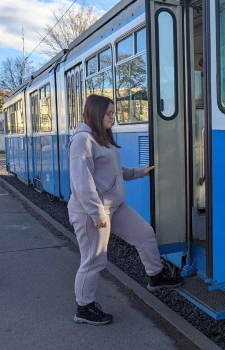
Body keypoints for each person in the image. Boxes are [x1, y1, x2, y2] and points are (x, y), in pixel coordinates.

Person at [68, 94, 183, 325]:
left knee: (144, 234)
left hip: (115, 206)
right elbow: (83, 182)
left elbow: (113, 170)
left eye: (113, 113)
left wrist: (140, 172)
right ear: (96, 113)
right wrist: (97, 214)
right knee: (94, 260)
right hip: (93, 212)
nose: (113, 117)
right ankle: (84, 307)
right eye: (109, 113)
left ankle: (156, 277)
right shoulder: (82, 140)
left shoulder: (101, 138)